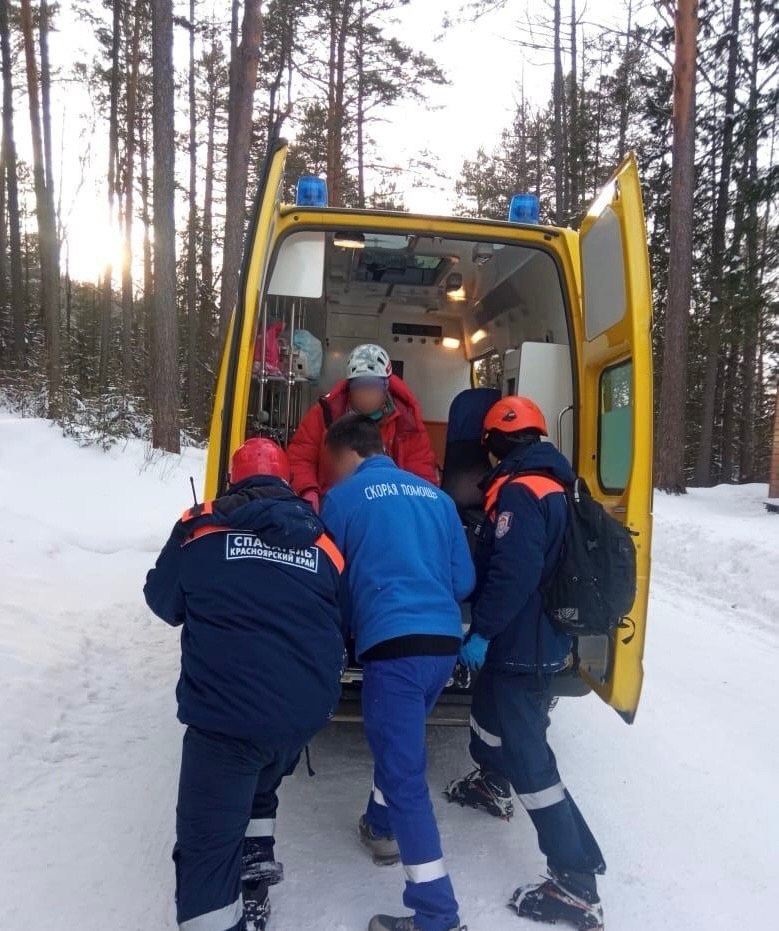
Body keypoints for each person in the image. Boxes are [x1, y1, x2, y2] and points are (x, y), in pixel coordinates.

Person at [143, 438, 346, 931]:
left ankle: (219, 912)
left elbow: (162, 601)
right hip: (301, 715)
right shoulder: (323, 543)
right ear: (286, 484)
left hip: (227, 720)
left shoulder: (198, 529)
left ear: (233, 481)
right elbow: (342, 619)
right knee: (262, 777)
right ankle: (254, 870)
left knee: (207, 845)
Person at [445, 396, 606, 931]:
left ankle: (575, 881)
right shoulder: (554, 481)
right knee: (487, 718)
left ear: (493, 444)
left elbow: (513, 574)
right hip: (536, 639)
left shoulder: (520, 491)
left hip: (522, 644)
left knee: (530, 758)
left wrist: (481, 632)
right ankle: (491, 784)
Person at [321, 415, 475, 931]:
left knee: (406, 776)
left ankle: (437, 916)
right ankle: (379, 826)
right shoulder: (438, 498)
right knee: (399, 748)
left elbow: (332, 580)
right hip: (441, 646)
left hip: (392, 646)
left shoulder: (341, 500)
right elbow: (464, 579)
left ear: (344, 457)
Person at [288, 343, 438, 509]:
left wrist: (417, 509)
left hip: (388, 507)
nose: (367, 394)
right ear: (350, 387)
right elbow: (300, 457)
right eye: (360, 386)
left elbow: (421, 471)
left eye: (374, 386)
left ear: (386, 386)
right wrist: (308, 491)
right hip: (333, 504)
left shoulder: (407, 422)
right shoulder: (325, 414)